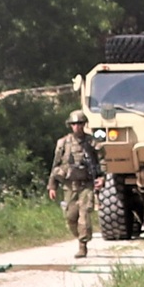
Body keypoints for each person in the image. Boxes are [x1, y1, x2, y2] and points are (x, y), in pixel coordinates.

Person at [48, 110, 104, 258]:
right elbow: (55, 165)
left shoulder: (92, 142)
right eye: (74, 124)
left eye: (79, 123)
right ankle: (80, 237)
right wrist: (52, 186)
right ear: (70, 125)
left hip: (86, 185)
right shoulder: (63, 143)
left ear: (84, 124)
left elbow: (102, 162)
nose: (77, 127)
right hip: (69, 185)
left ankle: (82, 245)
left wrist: (102, 178)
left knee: (84, 214)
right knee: (70, 217)